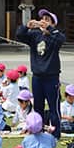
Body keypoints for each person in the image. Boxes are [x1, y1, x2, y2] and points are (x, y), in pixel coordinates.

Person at [15, 9, 66, 139]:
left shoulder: (54, 37)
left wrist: (49, 29)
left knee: (54, 107)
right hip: (37, 77)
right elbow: (19, 35)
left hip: (51, 77)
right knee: (38, 106)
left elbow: (61, 39)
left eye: (47, 20)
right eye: (42, 19)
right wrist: (27, 26)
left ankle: (55, 134)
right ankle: (38, 131)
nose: (43, 21)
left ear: (53, 24)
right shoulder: (35, 35)